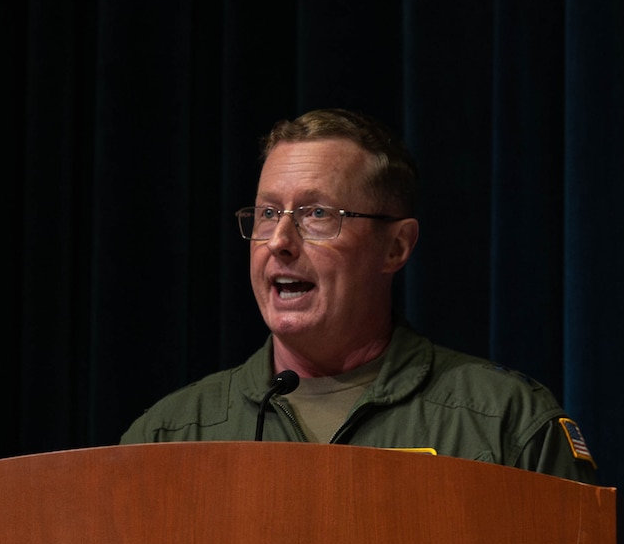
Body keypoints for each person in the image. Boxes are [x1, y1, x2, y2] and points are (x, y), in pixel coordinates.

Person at [118, 108, 598, 485]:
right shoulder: (169, 437)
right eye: (268, 213)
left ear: (396, 247)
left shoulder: (505, 426)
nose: (280, 240)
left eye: (316, 214)